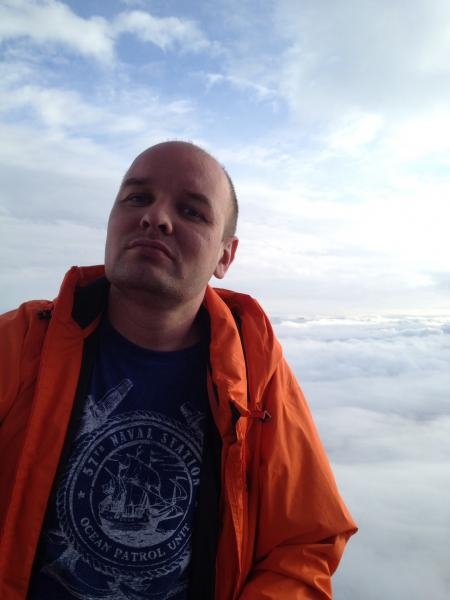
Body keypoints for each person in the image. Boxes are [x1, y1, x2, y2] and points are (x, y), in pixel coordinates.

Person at [0, 141, 357, 600]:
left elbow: (304, 542)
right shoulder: (19, 343)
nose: (155, 217)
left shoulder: (255, 371)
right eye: (137, 198)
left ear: (225, 256)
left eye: (191, 211)